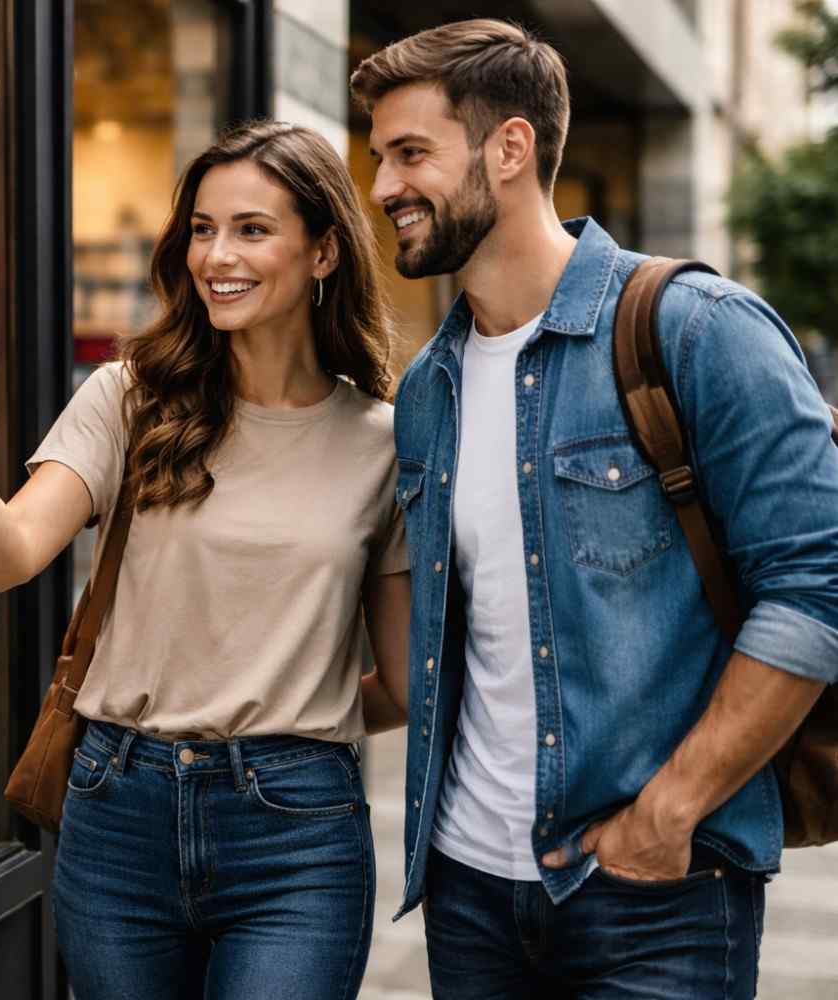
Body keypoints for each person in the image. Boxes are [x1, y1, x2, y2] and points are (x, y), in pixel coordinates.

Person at [0, 120, 411, 1000]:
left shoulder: (382, 441)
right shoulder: (130, 396)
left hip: (294, 838)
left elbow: (402, 682)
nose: (218, 255)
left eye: (252, 229)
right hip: (118, 814)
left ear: (324, 250)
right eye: (203, 229)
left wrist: (290, 730)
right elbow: (10, 555)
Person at [351, 18, 838, 999]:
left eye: (411, 154)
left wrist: (670, 811)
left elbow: (817, 588)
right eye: (377, 158)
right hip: (468, 890)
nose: (383, 188)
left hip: (656, 894)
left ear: (511, 147)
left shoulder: (695, 328)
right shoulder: (427, 392)